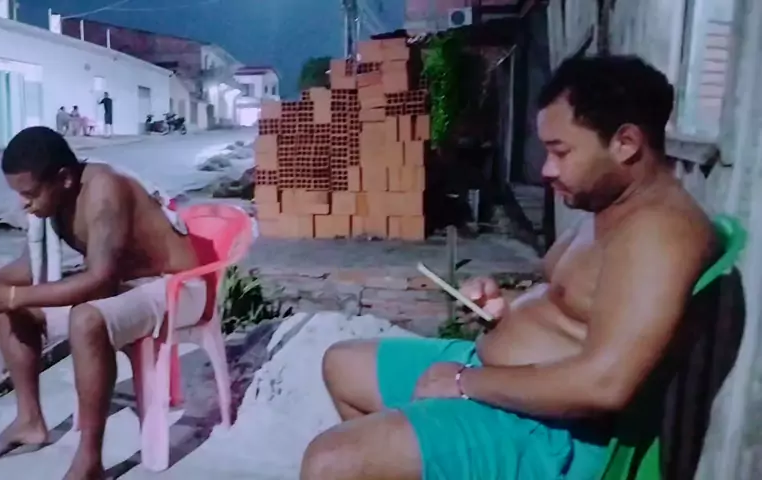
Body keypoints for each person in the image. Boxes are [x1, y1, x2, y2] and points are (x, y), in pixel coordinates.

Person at [300, 55, 717, 480]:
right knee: (343, 365)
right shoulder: (613, 205)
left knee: (330, 462)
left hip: (550, 429)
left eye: (561, 152)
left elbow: (605, 385)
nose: (547, 169)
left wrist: (463, 383)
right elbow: (581, 305)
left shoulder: (659, 234)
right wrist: (507, 304)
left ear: (626, 143)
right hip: (502, 379)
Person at [0, 126, 206, 479]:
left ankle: (89, 462)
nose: (22, 203)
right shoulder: (53, 200)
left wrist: (10, 294)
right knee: (8, 307)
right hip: (128, 286)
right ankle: (29, 421)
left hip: (179, 287)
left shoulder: (104, 190)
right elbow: (29, 268)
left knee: (86, 320)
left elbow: (99, 278)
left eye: (29, 194)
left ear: (64, 178)